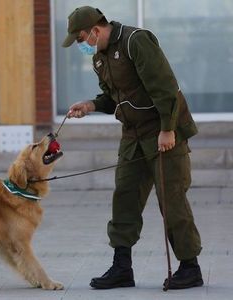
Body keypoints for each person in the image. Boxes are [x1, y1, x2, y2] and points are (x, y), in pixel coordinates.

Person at [62, 6, 203, 290]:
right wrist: (90, 105)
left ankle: (190, 267)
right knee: (124, 197)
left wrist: (167, 129)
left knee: (171, 199)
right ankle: (122, 267)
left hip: (163, 130)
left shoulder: (135, 41)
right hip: (133, 135)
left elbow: (166, 87)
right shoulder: (100, 59)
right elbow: (114, 98)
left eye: (81, 39)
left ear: (95, 30)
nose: (82, 45)